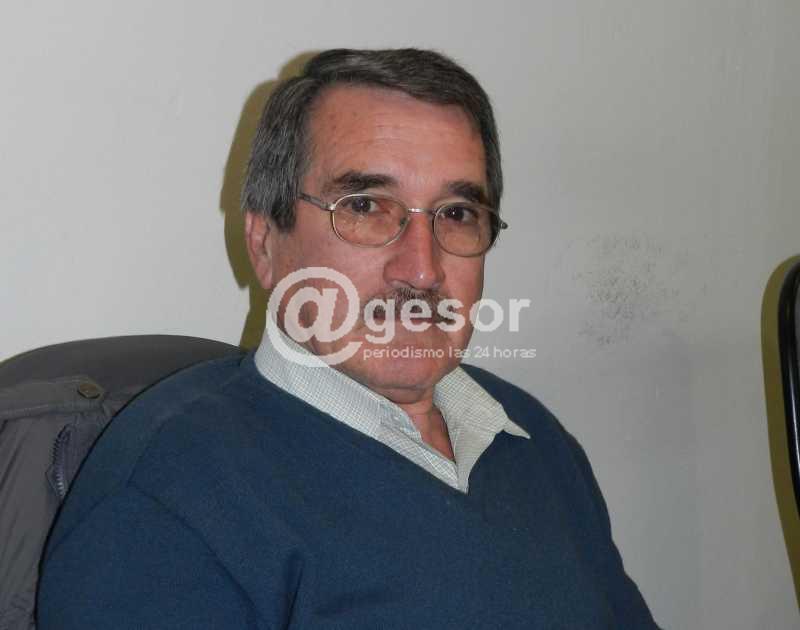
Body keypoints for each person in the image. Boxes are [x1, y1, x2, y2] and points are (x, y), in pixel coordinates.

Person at [37, 48, 659, 628]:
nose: (422, 270)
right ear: (265, 244)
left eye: (457, 214)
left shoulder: (532, 437)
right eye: (364, 206)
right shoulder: (167, 497)